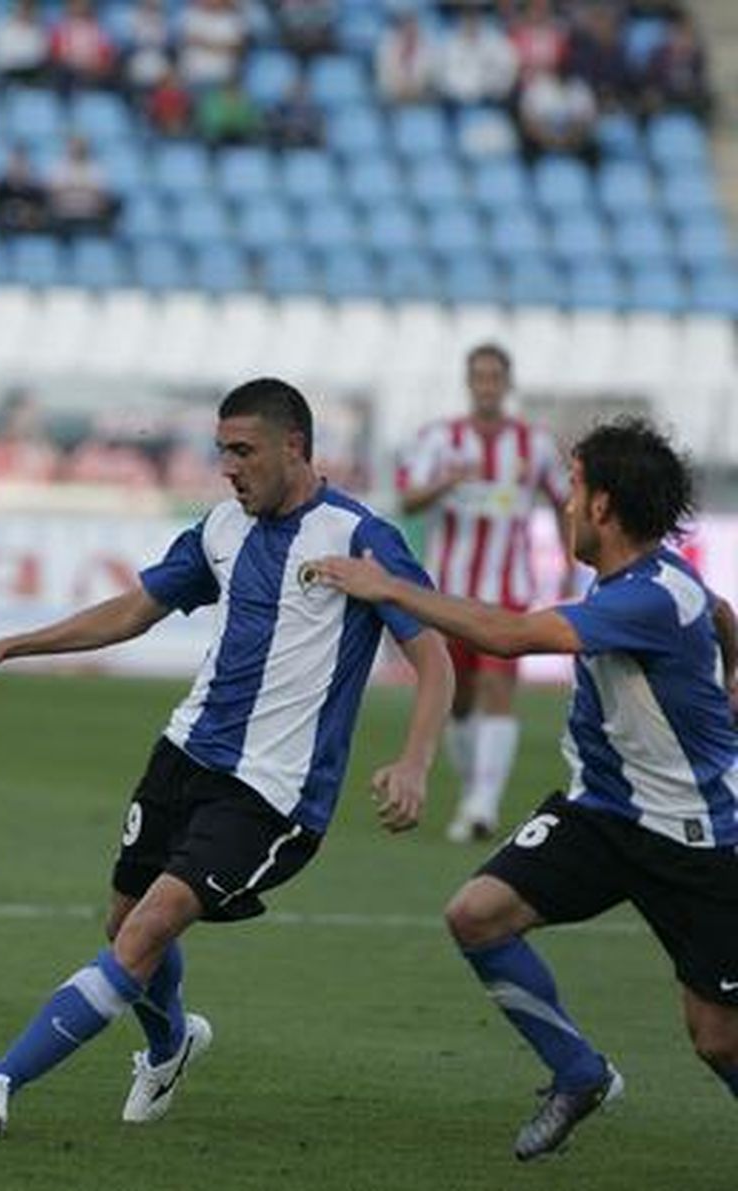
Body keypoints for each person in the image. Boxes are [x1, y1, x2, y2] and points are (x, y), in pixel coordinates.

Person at [0, 377, 453, 1136]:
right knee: (124, 924)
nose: (228, 467)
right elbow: (130, 611)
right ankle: (171, 1043)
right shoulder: (220, 526)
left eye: (243, 451)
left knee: (148, 929)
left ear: (295, 448)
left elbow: (435, 656)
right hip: (184, 754)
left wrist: (414, 761)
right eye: (222, 451)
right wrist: (11, 644)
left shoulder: (360, 538)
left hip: (273, 793)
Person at [314, 416, 738, 1161]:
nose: (565, 506)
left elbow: (507, 636)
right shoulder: (651, 581)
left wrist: (389, 586)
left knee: (717, 1039)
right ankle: (579, 1072)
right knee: (476, 915)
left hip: (697, 840)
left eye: (574, 491)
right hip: (602, 813)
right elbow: (725, 614)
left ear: (603, 506)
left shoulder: (645, 596)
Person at [397, 344, 568, 843]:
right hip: (446, 592)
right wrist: (444, 483)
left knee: (497, 689)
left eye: (495, 377)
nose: (487, 385)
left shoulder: (533, 443)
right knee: (459, 698)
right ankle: (476, 789)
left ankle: (482, 806)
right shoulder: (440, 440)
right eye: (480, 377)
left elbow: (562, 501)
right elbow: (407, 497)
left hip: (506, 593)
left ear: (507, 383)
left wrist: (564, 564)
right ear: (469, 382)